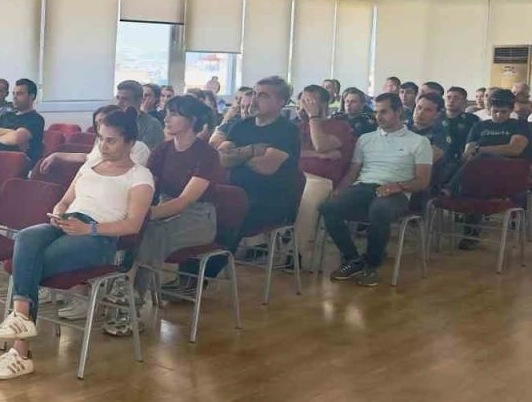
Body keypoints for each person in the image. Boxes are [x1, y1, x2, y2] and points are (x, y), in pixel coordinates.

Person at [0, 107, 153, 380]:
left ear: (130, 143)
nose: (103, 145)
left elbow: (133, 224)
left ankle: (20, 350)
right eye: (101, 138)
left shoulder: (140, 176)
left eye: (111, 140)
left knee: (31, 264)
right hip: (67, 224)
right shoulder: (89, 166)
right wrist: (59, 212)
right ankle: (21, 319)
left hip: (98, 237)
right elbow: (64, 200)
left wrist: (89, 229)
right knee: (25, 237)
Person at [180, 76, 301, 289]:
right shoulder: (241, 125)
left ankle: (198, 281)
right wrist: (251, 151)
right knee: (193, 211)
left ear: (280, 102)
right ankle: (185, 276)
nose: (255, 99)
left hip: (269, 201)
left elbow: (266, 167)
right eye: (254, 93)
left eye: (263, 95)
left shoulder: (287, 130)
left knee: (226, 219)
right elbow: (221, 158)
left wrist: (237, 155)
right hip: (232, 192)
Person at [127, 96, 223, 334]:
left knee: (151, 232)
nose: (166, 118)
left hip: (198, 217)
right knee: (137, 229)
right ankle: (120, 294)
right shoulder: (162, 150)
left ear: (192, 120)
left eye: (174, 114)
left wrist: (144, 215)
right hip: (164, 209)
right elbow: (147, 187)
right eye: (167, 112)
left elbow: (184, 201)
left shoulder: (207, 154)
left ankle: (132, 303)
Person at [319, 92, 432, 287]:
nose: (378, 116)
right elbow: (353, 172)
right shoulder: (365, 139)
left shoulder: (419, 142)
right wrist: (339, 190)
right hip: (364, 187)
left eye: (384, 112)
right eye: (376, 112)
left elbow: (422, 181)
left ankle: (372, 264)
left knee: (379, 210)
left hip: (397, 191)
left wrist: (397, 186)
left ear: (398, 111)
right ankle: (353, 259)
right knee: (328, 207)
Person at [448, 88, 530, 249]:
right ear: (489, 109)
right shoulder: (479, 126)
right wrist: (480, 152)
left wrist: (482, 150)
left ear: (511, 110)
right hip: (481, 176)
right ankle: (471, 235)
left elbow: (515, 149)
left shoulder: (520, 126)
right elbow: (467, 153)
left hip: (509, 173)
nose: (499, 115)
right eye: (495, 111)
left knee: (482, 158)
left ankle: (450, 187)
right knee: (476, 173)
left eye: (503, 112)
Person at [294, 84, 355, 263]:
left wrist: (313, 117)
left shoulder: (340, 127)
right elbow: (289, 153)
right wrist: (317, 155)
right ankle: (257, 245)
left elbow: (321, 144)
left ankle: (296, 253)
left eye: (310, 101)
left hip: (321, 180)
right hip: (294, 175)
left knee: (308, 197)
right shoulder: (297, 127)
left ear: (324, 104)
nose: (304, 105)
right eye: (302, 101)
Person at [0, 78, 45, 161]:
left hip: (16, 163)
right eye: (14, 94)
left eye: (19, 94)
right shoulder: (8, 115)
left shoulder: (36, 119)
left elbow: (16, 138)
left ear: (31, 96)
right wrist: (11, 132)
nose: (14, 97)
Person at [115, 80, 165, 149]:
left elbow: (143, 153)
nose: (119, 103)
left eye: (125, 99)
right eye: (118, 98)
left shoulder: (152, 125)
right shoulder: (112, 121)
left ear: (139, 100)